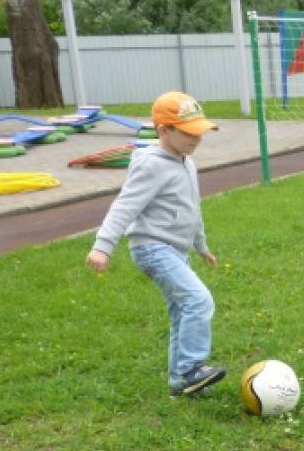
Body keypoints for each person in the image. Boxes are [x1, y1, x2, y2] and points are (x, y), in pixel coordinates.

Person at [86, 91, 226, 397]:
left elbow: (193, 208)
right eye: (189, 133)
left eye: (200, 132)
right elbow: (125, 206)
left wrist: (201, 245)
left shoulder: (187, 162)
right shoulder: (151, 165)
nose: (197, 139)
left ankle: (180, 381)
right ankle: (191, 369)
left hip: (176, 250)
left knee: (181, 311)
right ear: (164, 131)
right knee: (198, 301)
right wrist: (103, 246)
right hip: (152, 248)